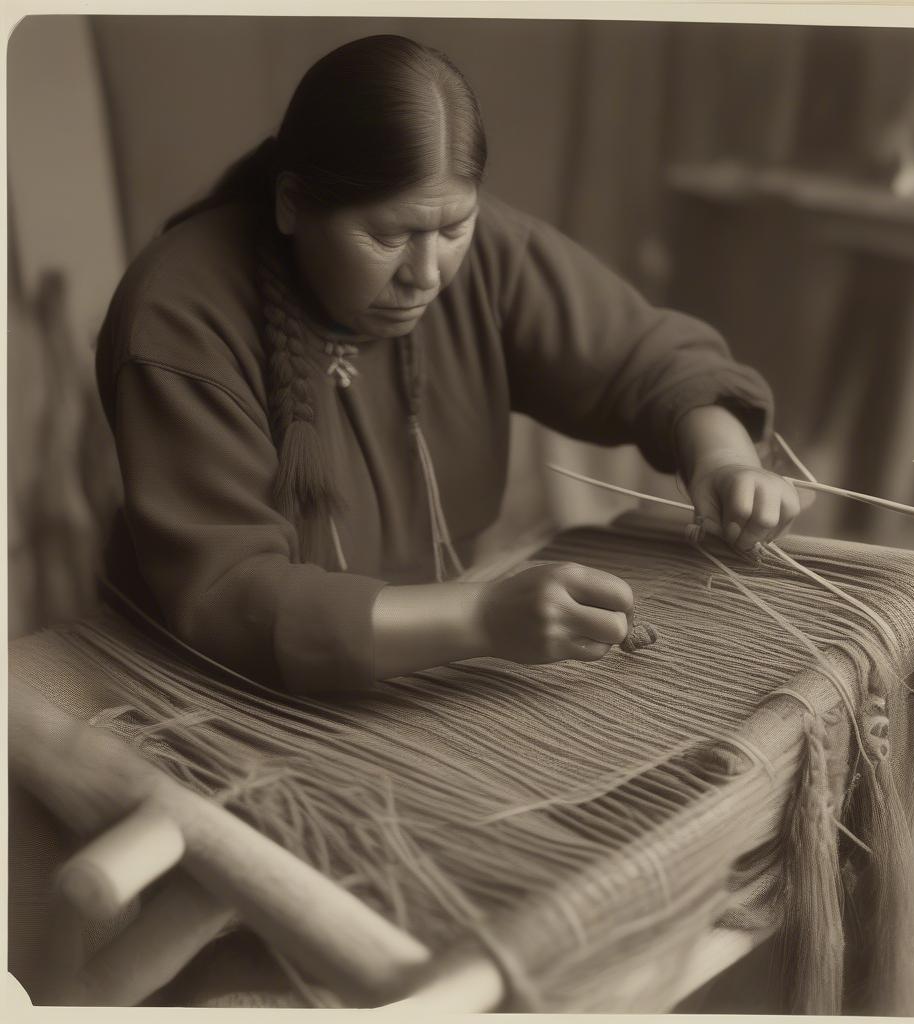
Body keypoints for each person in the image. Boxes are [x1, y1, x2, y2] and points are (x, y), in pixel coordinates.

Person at [96, 34, 802, 697]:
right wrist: (482, 620)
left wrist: (724, 462)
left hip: (435, 668)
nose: (428, 274)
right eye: (387, 235)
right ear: (291, 204)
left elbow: (649, 357)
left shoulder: (485, 255)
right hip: (223, 687)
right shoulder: (178, 315)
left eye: (453, 228)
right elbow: (230, 595)